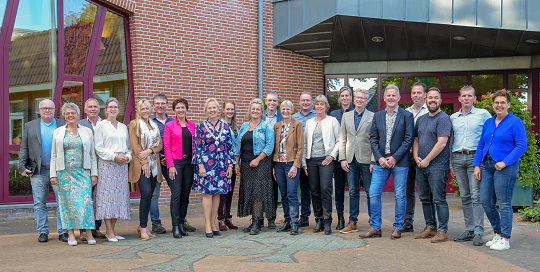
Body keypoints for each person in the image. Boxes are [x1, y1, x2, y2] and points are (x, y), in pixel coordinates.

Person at [473, 90, 527, 251]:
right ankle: (497, 232)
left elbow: (521, 146)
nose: (499, 105)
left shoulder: (515, 121)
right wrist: (477, 165)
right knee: (486, 202)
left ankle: (505, 238)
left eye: (503, 102)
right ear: (493, 104)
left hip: (505, 167)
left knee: (503, 203)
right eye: (496, 102)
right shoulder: (489, 122)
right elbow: (481, 144)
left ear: (508, 105)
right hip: (487, 166)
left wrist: (505, 162)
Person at [361, 84, 414, 239]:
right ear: (384, 98)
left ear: (398, 98)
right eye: (388, 95)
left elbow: (409, 139)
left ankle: (397, 227)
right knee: (373, 193)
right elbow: (373, 139)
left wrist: (395, 158)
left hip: (400, 162)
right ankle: (376, 227)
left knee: (400, 194)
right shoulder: (377, 116)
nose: (391, 98)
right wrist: (379, 158)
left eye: (393, 95)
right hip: (381, 162)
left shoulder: (407, 116)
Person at [18, 99, 68, 243]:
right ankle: (43, 231)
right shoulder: (30, 126)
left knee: (62, 202)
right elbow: (24, 148)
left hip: (59, 171)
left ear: (54, 110)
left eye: (50, 108)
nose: (47, 111)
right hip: (38, 170)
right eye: (44, 108)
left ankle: (63, 231)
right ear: (39, 110)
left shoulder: (63, 125)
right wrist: (22, 166)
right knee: (39, 202)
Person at [50, 103, 97, 246]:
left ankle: (88, 232)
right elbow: (53, 155)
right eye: (68, 113)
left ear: (78, 115)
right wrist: (53, 174)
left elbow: (92, 154)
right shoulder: (57, 132)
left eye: (73, 113)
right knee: (67, 204)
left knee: (86, 202)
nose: (71, 115)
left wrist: (94, 174)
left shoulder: (87, 131)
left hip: (83, 173)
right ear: (64, 115)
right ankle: (71, 233)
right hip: (64, 174)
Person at [449, 86, 491, 246]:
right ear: (459, 98)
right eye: (463, 96)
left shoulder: (483, 115)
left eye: (469, 96)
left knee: (476, 196)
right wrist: (450, 164)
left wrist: (483, 161)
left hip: (476, 158)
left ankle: (479, 232)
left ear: (474, 98)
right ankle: (470, 229)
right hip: (458, 159)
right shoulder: (453, 117)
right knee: (465, 196)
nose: (466, 98)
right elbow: (450, 142)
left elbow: (489, 138)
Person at [413, 87, 452, 243]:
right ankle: (430, 227)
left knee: (439, 199)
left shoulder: (443, 118)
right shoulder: (421, 119)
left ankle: (442, 230)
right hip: (421, 166)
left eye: (436, 98)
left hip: (437, 166)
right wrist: (416, 157)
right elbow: (415, 140)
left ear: (440, 100)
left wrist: (427, 159)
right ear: (425, 100)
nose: (433, 100)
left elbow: (442, 143)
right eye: (430, 98)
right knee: (424, 198)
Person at [192, 98, 236, 238]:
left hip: (222, 166)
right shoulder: (201, 127)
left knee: (218, 193)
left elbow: (231, 147)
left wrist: (230, 165)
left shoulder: (226, 127)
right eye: (209, 108)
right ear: (206, 110)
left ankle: (213, 223)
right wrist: (200, 166)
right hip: (206, 166)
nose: (212, 110)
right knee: (207, 194)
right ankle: (207, 224)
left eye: (214, 108)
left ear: (219, 110)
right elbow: (197, 148)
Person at [94, 97, 132, 242]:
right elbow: (98, 147)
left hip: (122, 166)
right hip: (107, 164)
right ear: (105, 110)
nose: (113, 109)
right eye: (110, 107)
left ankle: (113, 230)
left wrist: (127, 157)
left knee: (118, 199)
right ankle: (109, 232)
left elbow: (129, 147)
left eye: (115, 107)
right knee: (107, 199)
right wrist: (113, 156)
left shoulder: (123, 126)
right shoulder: (101, 125)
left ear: (118, 109)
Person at [236, 98, 275, 235]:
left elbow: (270, 146)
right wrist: (237, 163)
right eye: (253, 108)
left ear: (262, 111)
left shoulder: (266, 126)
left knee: (258, 192)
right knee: (250, 192)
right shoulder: (244, 126)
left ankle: (257, 222)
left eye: (258, 109)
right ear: (250, 110)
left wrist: (258, 159)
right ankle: (254, 219)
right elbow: (238, 146)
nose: (255, 111)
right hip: (246, 164)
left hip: (261, 164)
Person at [338, 88, 375, 234]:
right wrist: (342, 158)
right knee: (353, 191)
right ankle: (352, 222)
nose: (359, 100)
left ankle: (374, 222)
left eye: (363, 98)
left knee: (369, 192)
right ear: (354, 99)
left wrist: (373, 160)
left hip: (366, 159)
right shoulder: (346, 116)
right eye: (357, 97)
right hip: (350, 159)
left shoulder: (373, 116)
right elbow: (342, 138)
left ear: (366, 100)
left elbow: (374, 140)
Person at [302, 95, 340, 235]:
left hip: (326, 160)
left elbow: (339, 140)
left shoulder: (333, 121)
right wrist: (304, 162)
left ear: (326, 106)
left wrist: (331, 155)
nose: (319, 106)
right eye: (317, 104)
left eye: (321, 104)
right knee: (315, 191)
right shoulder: (310, 122)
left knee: (325, 189)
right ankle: (318, 220)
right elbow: (305, 143)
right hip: (311, 160)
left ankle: (327, 220)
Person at [129, 99, 163, 240]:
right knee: (146, 193)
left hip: (155, 166)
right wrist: (144, 163)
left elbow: (160, 145)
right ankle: (143, 226)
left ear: (151, 110)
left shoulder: (154, 125)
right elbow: (135, 146)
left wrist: (150, 151)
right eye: (142, 109)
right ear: (139, 110)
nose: (145, 111)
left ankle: (145, 226)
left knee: (150, 195)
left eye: (147, 109)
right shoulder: (134, 124)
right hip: (141, 165)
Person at [163, 98, 196, 238]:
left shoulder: (193, 125)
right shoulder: (169, 125)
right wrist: (170, 165)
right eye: (178, 108)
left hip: (189, 163)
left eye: (183, 107)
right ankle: (175, 226)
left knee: (185, 195)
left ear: (186, 109)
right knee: (176, 194)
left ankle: (182, 224)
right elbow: (166, 147)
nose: (181, 110)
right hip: (176, 163)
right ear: (174, 110)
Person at [272, 100, 304, 235]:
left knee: (291, 194)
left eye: (288, 109)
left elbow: (301, 147)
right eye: (283, 109)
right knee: (283, 194)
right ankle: (286, 221)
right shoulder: (277, 126)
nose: (285, 111)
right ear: (281, 110)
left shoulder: (297, 125)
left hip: (291, 163)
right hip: (278, 164)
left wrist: (296, 166)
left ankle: (294, 223)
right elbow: (274, 147)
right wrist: (273, 166)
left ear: (292, 110)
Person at [77, 98, 106, 240]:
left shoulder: (105, 124)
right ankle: (83, 230)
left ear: (99, 109)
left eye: (95, 106)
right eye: (90, 107)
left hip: (104, 165)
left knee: (99, 199)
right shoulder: (80, 124)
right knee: (86, 198)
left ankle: (96, 228)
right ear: (85, 109)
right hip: (86, 166)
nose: (93, 109)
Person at [403, 82, 428, 232]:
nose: (416, 95)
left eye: (419, 93)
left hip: (423, 159)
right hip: (406, 158)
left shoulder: (429, 112)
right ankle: (408, 221)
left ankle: (430, 224)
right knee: (408, 191)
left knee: (426, 193)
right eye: (414, 93)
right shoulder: (406, 112)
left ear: (425, 95)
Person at [149, 94, 175, 234]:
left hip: (172, 162)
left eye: (163, 103)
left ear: (166, 105)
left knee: (177, 192)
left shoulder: (173, 121)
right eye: (157, 103)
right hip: (155, 162)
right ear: (153, 106)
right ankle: (156, 223)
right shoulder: (148, 122)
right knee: (154, 193)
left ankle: (180, 220)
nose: (160, 106)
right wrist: (159, 157)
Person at [330, 86, 354, 230]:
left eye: (347, 95)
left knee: (353, 189)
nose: (345, 98)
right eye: (342, 96)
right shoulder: (333, 114)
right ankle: (340, 218)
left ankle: (353, 218)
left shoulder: (356, 112)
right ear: (339, 98)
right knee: (338, 188)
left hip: (352, 157)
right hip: (338, 157)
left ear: (351, 97)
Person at [292, 92, 317, 227]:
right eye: (303, 100)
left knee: (309, 188)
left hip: (311, 158)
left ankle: (309, 216)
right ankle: (297, 217)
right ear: (299, 102)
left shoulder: (317, 116)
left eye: (308, 100)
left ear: (312, 102)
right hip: (296, 158)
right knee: (296, 188)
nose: (306, 103)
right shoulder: (293, 117)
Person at [218, 100, 240, 231]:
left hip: (233, 162)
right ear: (223, 110)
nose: (230, 112)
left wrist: (236, 164)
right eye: (227, 109)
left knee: (230, 191)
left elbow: (237, 147)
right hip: (222, 163)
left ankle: (228, 218)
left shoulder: (236, 126)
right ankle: (220, 219)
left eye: (232, 109)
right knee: (222, 192)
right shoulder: (220, 125)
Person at [262, 91, 282, 229]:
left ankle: (271, 217)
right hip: (260, 157)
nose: (271, 103)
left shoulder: (283, 116)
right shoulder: (258, 114)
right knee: (260, 188)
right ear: (265, 101)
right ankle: (257, 217)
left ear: (277, 102)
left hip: (276, 157)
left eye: (274, 101)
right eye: (269, 100)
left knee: (273, 188)